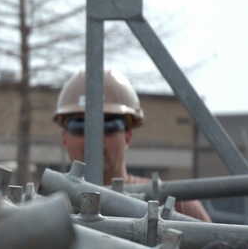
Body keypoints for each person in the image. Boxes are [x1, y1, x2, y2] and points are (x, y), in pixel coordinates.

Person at [53, 67, 212, 222]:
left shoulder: (179, 208)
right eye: (80, 126)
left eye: (108, 126)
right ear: (64, 138)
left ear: (128, 136)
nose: (94, 138)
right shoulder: (42, 209)